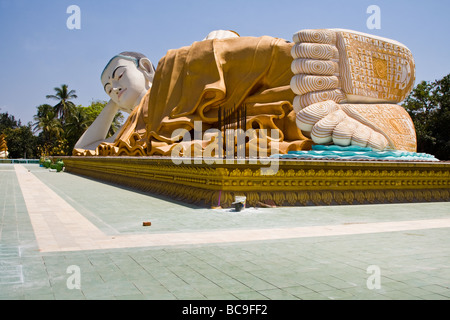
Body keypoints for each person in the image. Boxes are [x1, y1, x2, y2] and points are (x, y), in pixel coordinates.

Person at [73, 28, 416, 157]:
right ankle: (330, 105)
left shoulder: (163, 76)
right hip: (208, 121)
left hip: (181, 92)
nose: (115, 89)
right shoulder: (132, 124)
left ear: (143, 67)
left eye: (118, 77)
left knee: (198, 56)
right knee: (262, 119)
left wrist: (221, 38)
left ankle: (301, 62)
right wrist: (113, 104)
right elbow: (83, 149)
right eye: (108, 88)